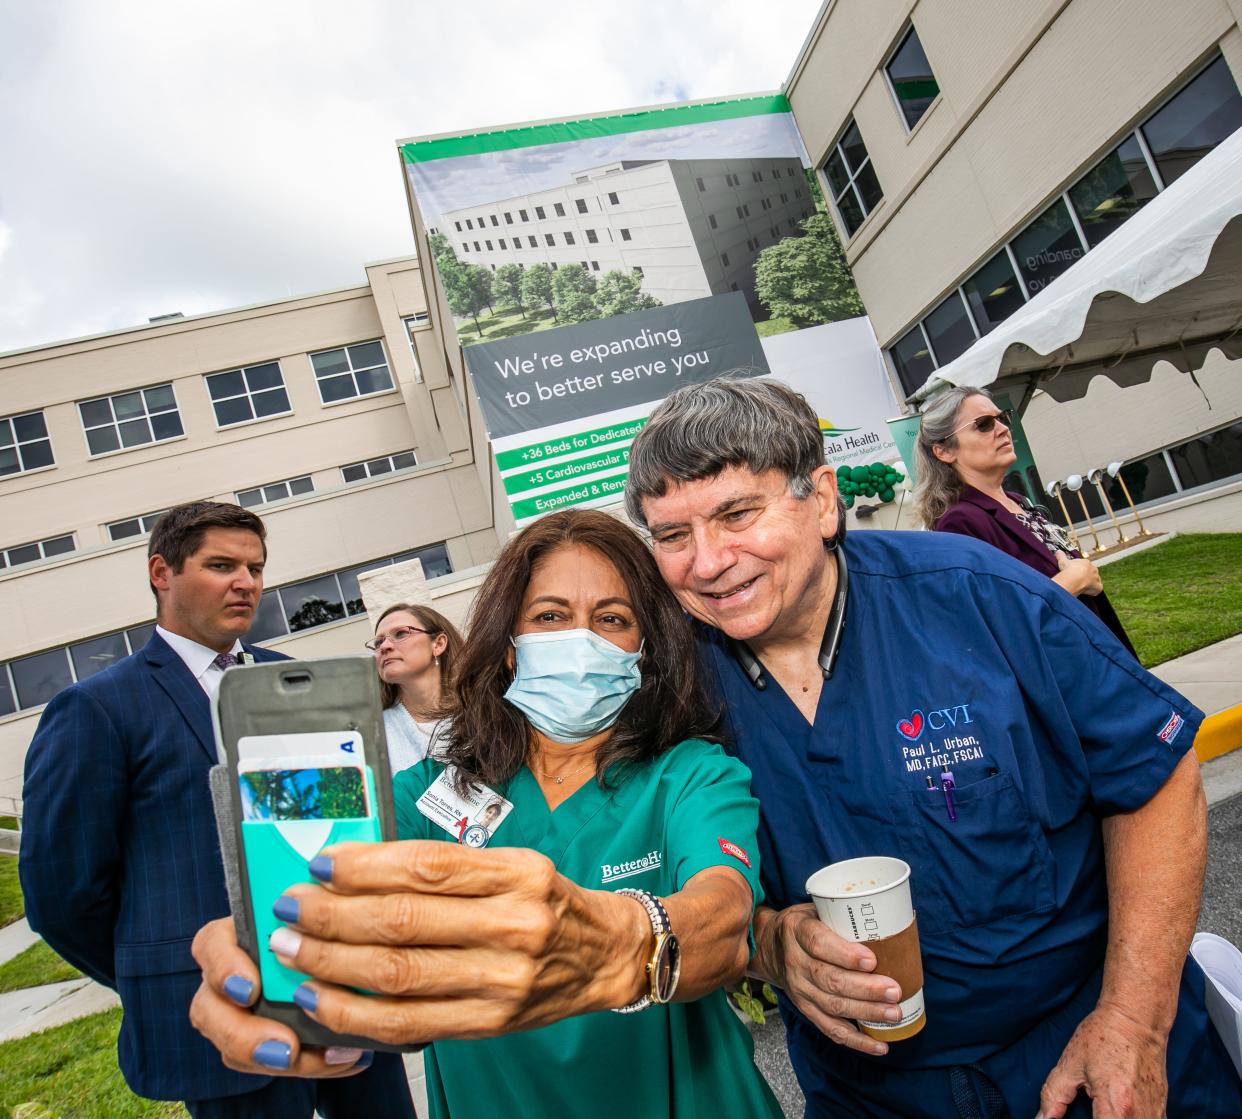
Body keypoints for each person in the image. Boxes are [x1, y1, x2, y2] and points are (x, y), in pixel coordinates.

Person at [621, 377, 1242, 1118]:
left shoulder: (980, 597)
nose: (709, 560)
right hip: (870, 1092)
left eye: (736, 514)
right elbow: (674, 889)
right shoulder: (672, 688)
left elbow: (1154, 776)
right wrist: (767, 945)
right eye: (671, 536)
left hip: (1085, 1050)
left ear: (821, 499)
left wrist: (1134, 1022)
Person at [189, 507, 783, 1119]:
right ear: (507, 648)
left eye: (611, 619)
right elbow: (324, 888)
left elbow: (722, 917)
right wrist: (273, 951)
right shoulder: (426, 795)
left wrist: (610, 942)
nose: (578, 640)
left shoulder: (690, 774)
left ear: (644, 651)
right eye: (549, 616)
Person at [19, 501, 414, 1119]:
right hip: (215, 1014)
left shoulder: (297, 681)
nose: (246, 583)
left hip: (340, 989)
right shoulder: (96, 708)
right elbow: (63, 894)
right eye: (222, 565)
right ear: (162, 573)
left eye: (255, 568)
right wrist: (163, 971)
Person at [914, 385, 1136, 656]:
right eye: (983, 424)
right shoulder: (959, 523)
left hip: (1102, 651)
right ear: (944, 451)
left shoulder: (1017, 501)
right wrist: (1072, 582)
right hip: (1067, 673)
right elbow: (993, 623)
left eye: (1001, 418)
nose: (1003, 429)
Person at [366, 602, 463, 771]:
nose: (384, 647)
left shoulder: (484, 712)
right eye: (378, 643)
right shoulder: (372, 731)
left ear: (438, 644)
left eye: (401, 633)